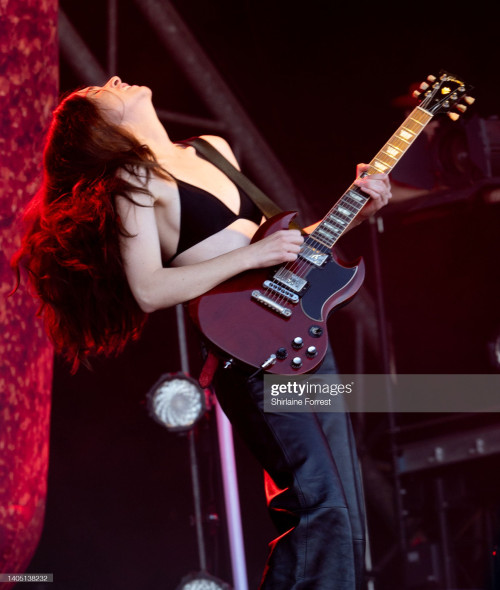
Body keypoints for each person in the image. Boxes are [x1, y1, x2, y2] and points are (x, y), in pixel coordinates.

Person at [12, 76, 392, 589]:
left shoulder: (212, 149)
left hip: (303, 339)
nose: (113, 79)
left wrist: (357, 211)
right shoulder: (134, 181)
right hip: (249, 352)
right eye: (99, 89)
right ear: (99, 124)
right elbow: (148, 288)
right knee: (317, 503)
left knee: (344, 512)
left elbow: (283, 247)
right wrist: (252, 255)